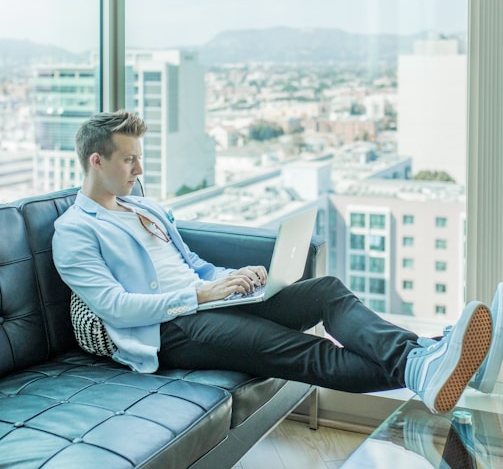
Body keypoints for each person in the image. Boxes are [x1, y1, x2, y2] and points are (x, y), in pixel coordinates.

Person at [52, 110, 500, 415]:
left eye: (139, 158)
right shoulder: (74, 231)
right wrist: (199, 294)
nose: (139, 170)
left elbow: (192, 263)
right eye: (129, 159)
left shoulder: (145, 209)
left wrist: (233, 278)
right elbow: (115, 307)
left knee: (326, 292)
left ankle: (432, 363)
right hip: (169, 330)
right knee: (300, 350)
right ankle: (432, 365)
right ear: (97, 160)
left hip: (208, 303)